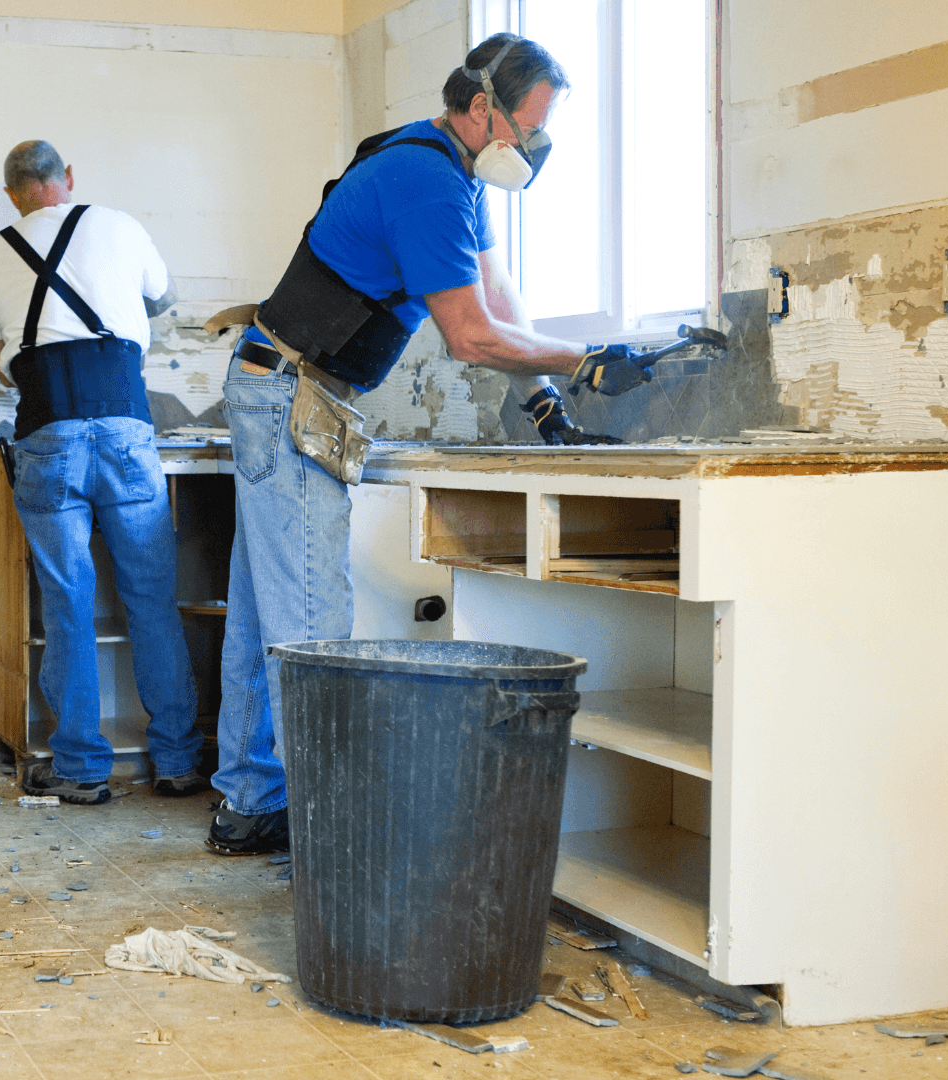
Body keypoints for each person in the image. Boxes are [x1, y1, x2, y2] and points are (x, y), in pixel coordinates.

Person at [204, 34, 662, 855]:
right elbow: (470, 337)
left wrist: (549, 401)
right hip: (290, 393)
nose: (536, 148)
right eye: (531, 129)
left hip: (281, 386)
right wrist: (584, 357)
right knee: (312, 622)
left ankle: (251, 803)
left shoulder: (452, 175)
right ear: (482, 108)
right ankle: (328, 832)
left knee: (264, 614)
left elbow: (500, 301)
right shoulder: (425, 180)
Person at [0, 140, 205, 805]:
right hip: (127, 428)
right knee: (152, 599)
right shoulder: (120, 225)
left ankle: (79, 770)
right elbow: (163, 299)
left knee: (67, 603)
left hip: (48, 434)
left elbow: (1, 366)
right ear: (67, 179)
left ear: (11, 194)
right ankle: (178, 762)